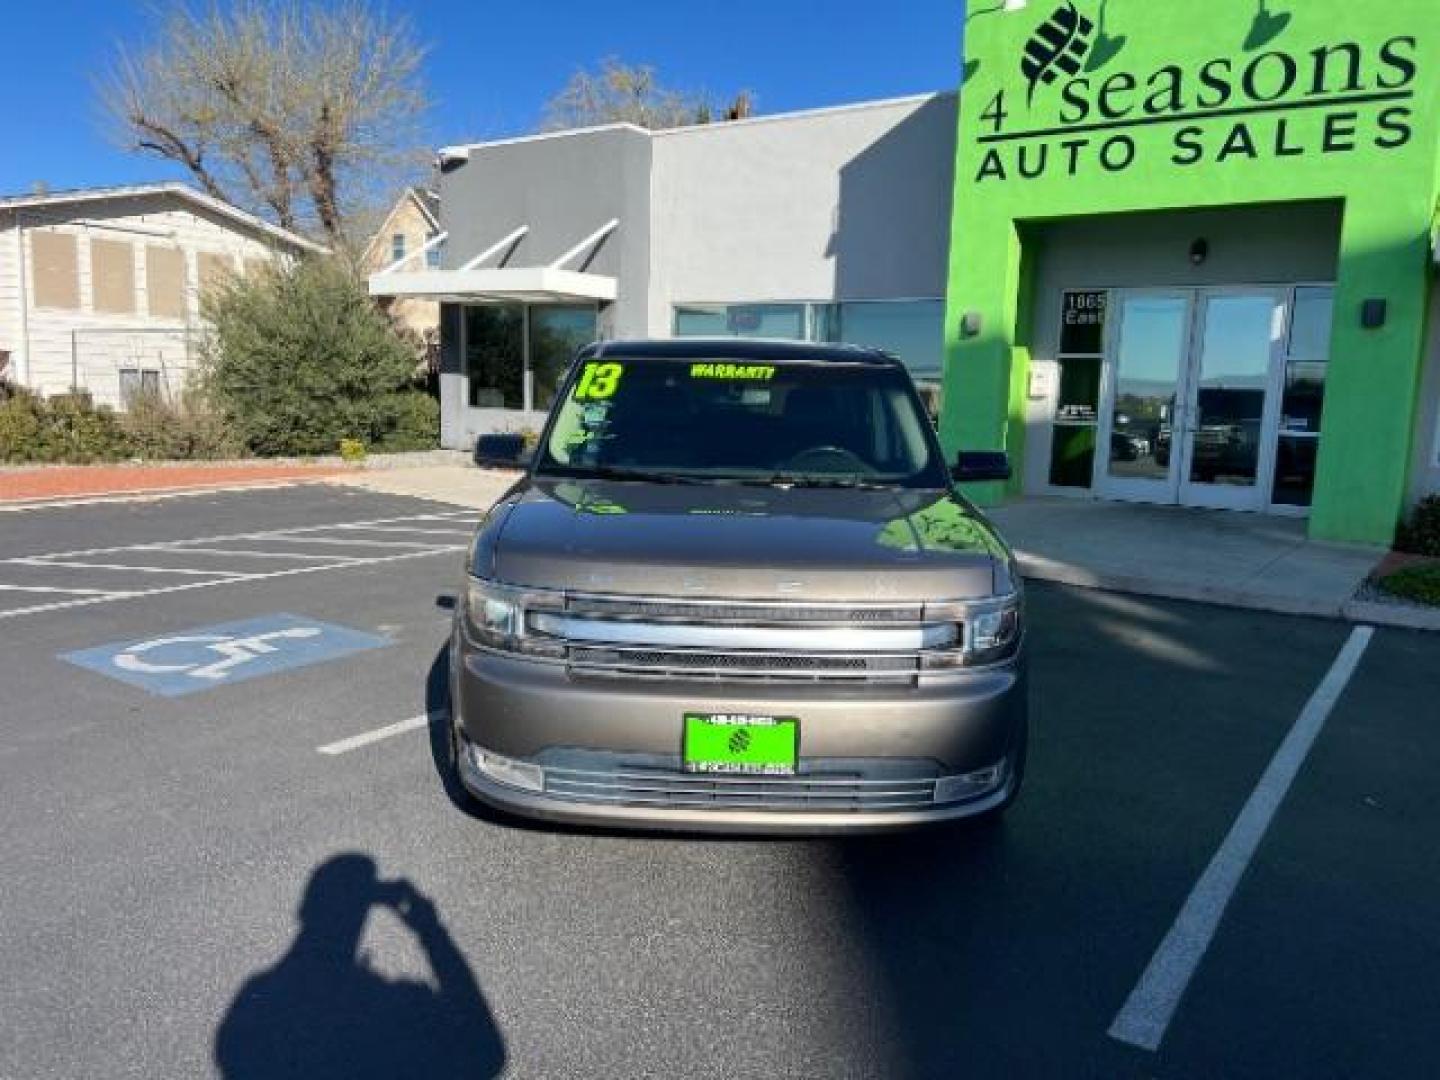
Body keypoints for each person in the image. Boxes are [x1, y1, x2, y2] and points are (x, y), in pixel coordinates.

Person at [215, 853, 505, 1078]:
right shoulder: (251, 1008)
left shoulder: (254, 1005)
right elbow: (487, 1050)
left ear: (304, 909)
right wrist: (429, 928)